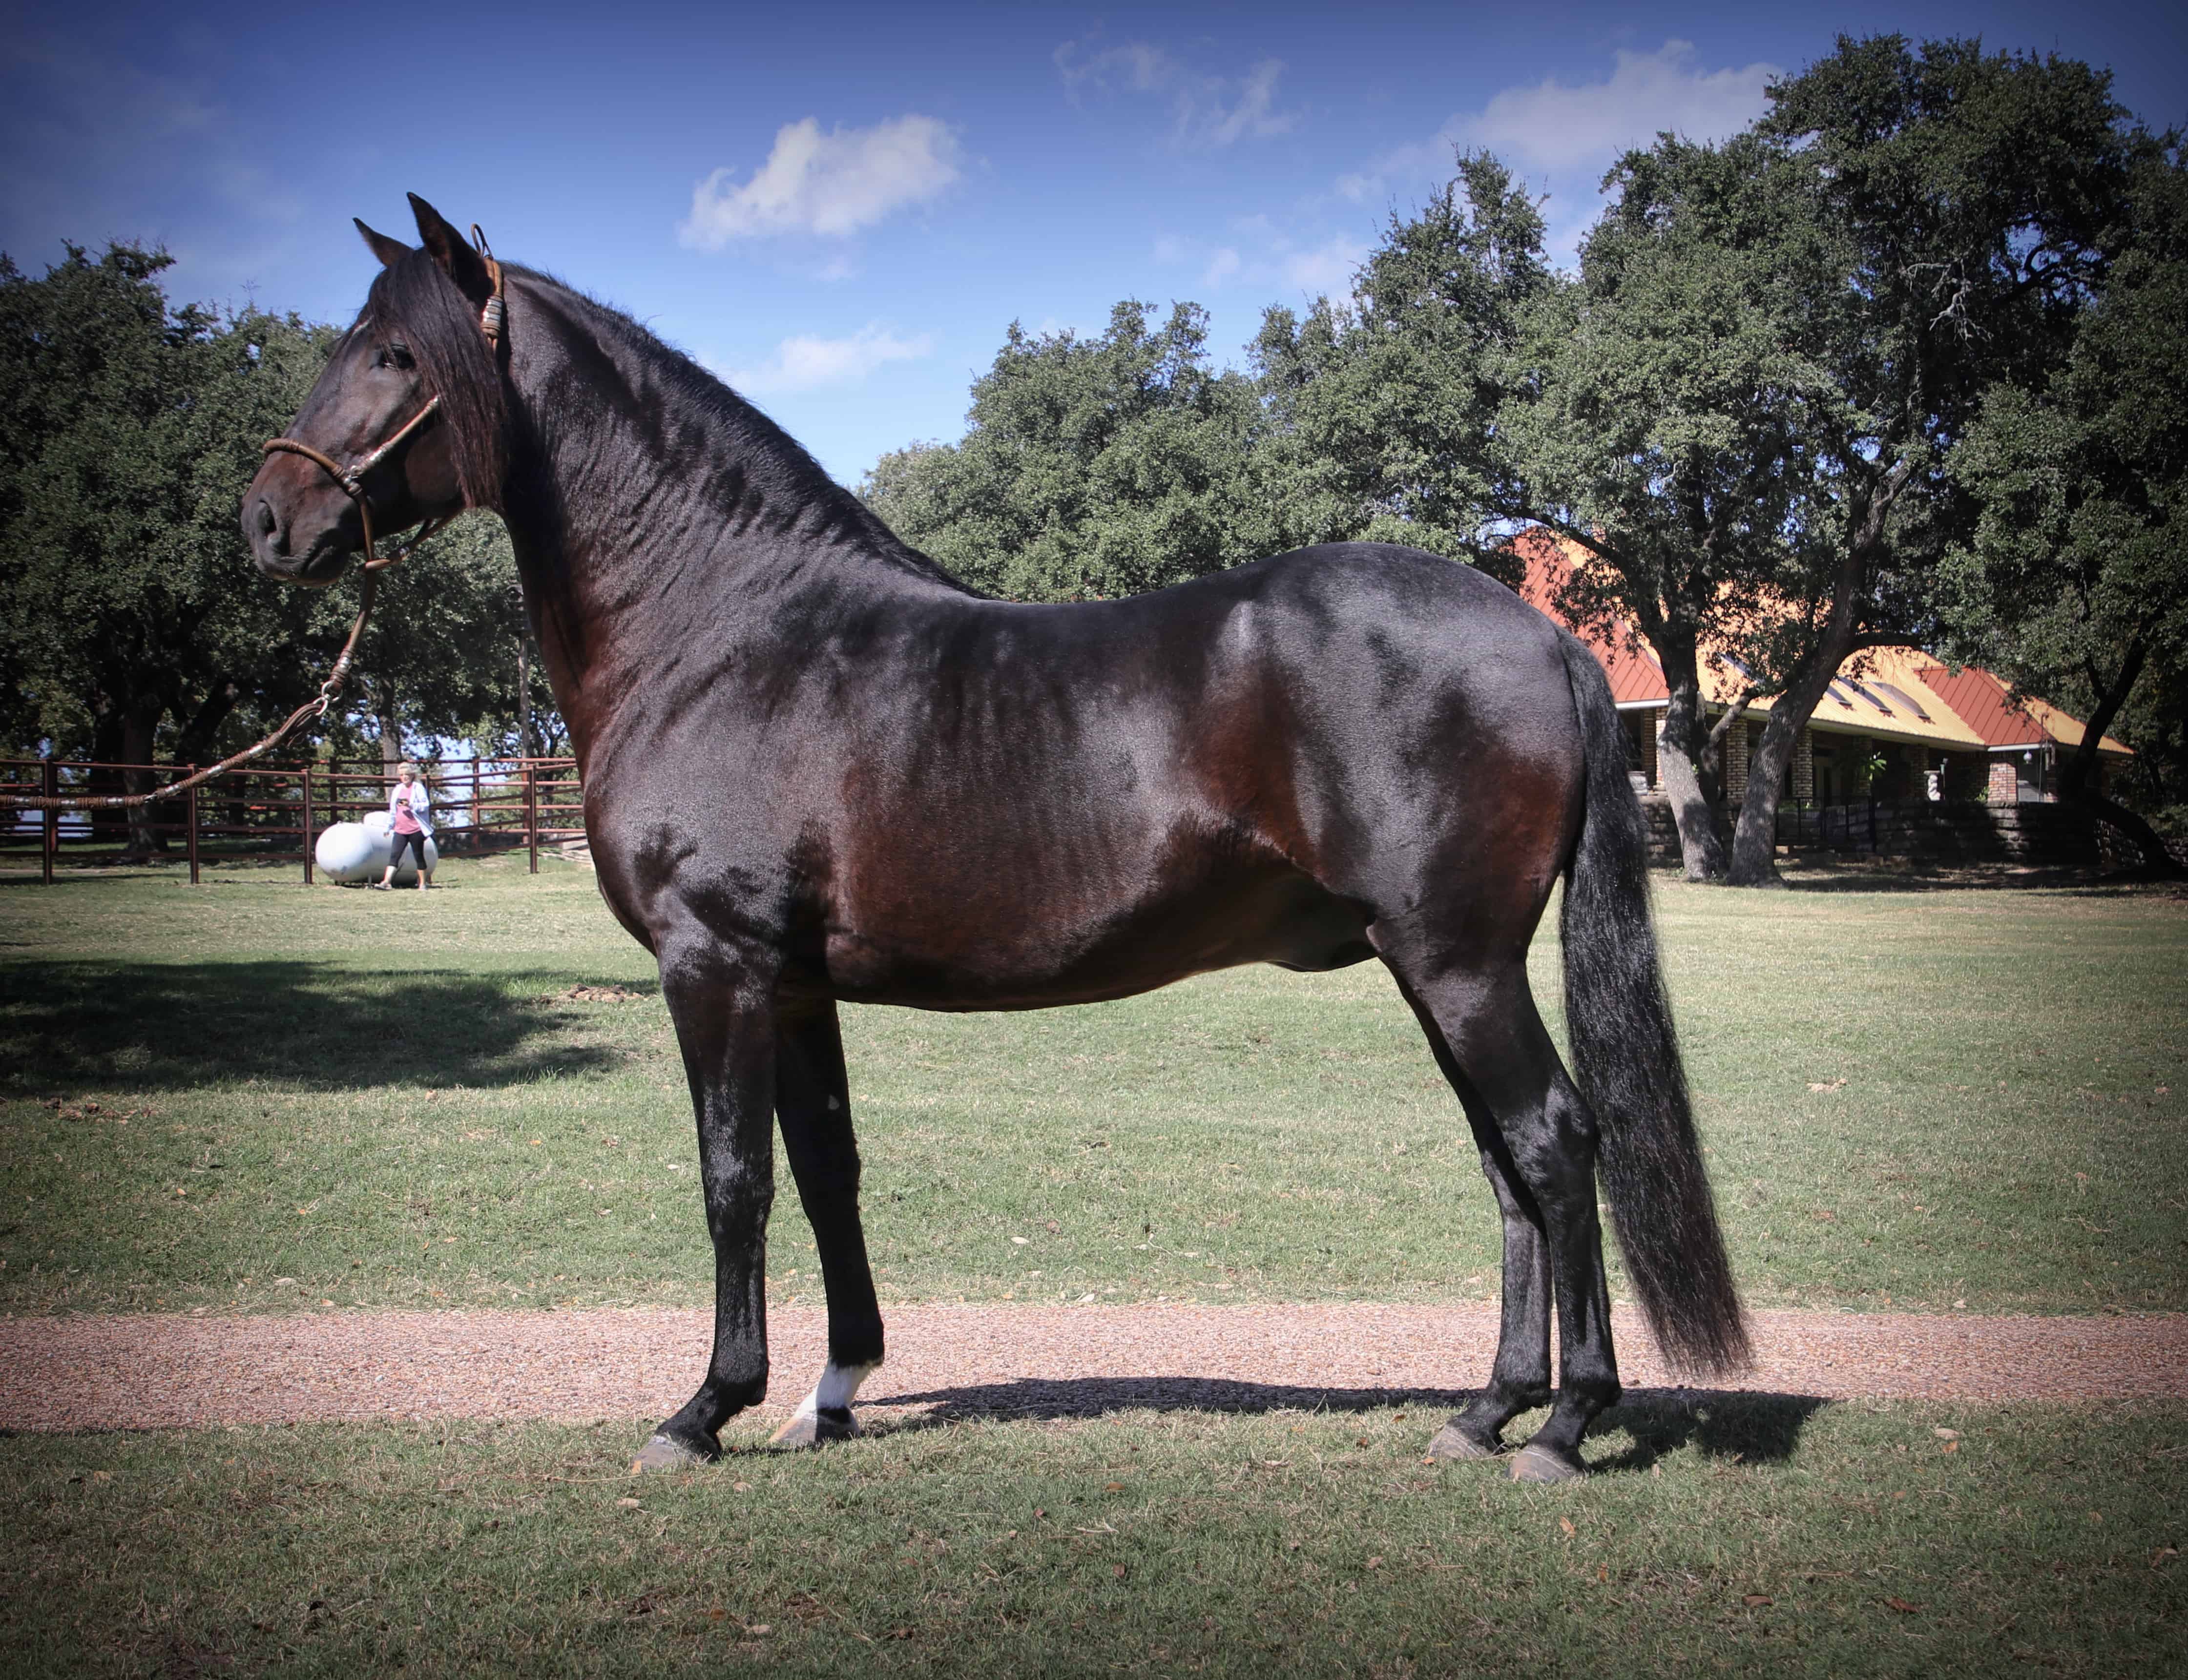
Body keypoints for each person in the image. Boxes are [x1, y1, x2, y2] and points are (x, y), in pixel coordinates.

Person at [373, 762, 435, 891]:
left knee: (419, 855)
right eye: (402, 775)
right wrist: (388, 827)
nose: (404, 777)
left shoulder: (418, 788)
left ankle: (422, 883)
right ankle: (387, 882)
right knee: (395, 855)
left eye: (407, 774)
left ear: (412, 775)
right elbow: (393, 810)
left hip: (416, 829)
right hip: (400, 829)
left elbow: (425, 805)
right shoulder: (397, 789)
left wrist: (411, 804)